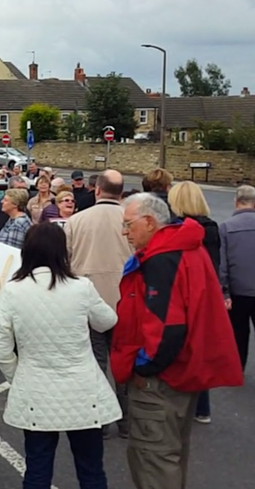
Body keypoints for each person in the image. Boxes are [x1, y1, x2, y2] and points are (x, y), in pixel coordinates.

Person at [114, 193, 242, 489]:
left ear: (149, 222)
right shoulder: (187, 247)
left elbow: (167, 326)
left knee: (153, 459)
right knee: (172, 455)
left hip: (161, 380)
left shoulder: (161, 259)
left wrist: (144, 367)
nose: (125, 232)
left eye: (128, 224)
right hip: (186, 371)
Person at [0, 223, 121, 488]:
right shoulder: (81, 286)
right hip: (82, 391)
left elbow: (0, 345)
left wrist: (18, 377)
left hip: (36, 390)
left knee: (37, 469)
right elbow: (107, 321)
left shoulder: (14, 290)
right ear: (63, 251)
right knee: (91, 470)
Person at [64, 168, 132, 437]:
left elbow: (65, 262)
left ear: (97, 190)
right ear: (122, 192)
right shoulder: (132, 220)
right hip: (125, 300)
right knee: (124, 363)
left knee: (96, 361)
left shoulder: (77, 221)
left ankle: (102, 420)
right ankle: (126, 421)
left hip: (89, 300)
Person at [168, 181, 221, 423]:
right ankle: (203, 407)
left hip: (183, 291)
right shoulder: (211, 228)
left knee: (180, 346)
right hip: (206, 291)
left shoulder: (177, 231)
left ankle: (181, 403)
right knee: (200, 346)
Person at [219, 185, 255, 371]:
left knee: (239, 332)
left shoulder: (226, 227)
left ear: (236, 202)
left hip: (238, 290)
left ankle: (237, 368)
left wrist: (224, 292)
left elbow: (222, 264)